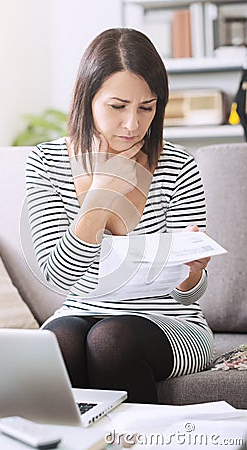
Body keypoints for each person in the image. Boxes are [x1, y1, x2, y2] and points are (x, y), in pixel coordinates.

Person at [25, 28, 214, 404]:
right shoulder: (47, 162)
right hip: (80, 310)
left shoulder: (177, 165)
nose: (133, 124)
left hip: (168, 322)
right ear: (87, 99)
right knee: (56, 344)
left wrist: (193, 274)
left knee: (110, 340)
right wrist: (100, 195)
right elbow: (59, 277)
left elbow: (187, 297)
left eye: (147, 107)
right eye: (117, 106)